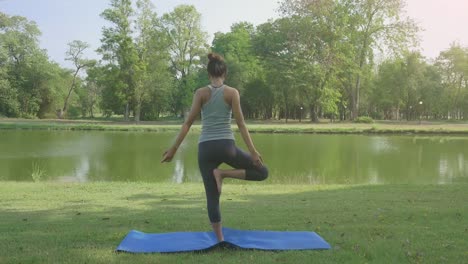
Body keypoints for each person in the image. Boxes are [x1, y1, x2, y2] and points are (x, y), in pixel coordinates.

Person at [161, 52, 269, 242]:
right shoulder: (232, 93)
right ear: (224, 73)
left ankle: (220, 241)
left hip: (206, 149)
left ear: (208, 73)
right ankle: (224, 174)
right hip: (227, 146)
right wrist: (253, 152)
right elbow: (241, 124)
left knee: (212, 196)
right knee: (262, 172)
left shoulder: (201, 93)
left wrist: (173, 150)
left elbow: (187, 124)